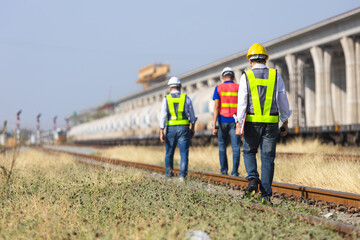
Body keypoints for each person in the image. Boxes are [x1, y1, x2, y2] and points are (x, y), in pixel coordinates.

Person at [235, 43, 292, 202]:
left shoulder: (246, 76)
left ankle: (253, 178)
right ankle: (266, 196)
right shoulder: (276, 75)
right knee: (268, 158)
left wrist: (239, 122)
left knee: (248, 151)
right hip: (271, 123)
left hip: (252, 122)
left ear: (250, 60)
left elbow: (242, 102)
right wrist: (285, 121)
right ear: (265, 59)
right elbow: (283, 101)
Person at [159, 77, 197, 181]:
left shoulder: (166, 99)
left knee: (169, 152)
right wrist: (192, 128)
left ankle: (168, 175)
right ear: (180, 87)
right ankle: (182, 176)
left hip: (170, 129)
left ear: (169, 88)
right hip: (184, 128)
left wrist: (161, 131)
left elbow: (163, 116)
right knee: (184, 153)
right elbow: (192, 116)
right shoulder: (186, 98)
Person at [212, 67, 241, 176]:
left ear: (223, 77)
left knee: (222, 146)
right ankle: (234, 172)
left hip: (222, 120)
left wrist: (214, 124)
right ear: (233, 76)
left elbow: (216, 106)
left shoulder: (219, 88)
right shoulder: (238, 87)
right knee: (236, 146)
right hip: (235, 121)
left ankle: (224, 171)